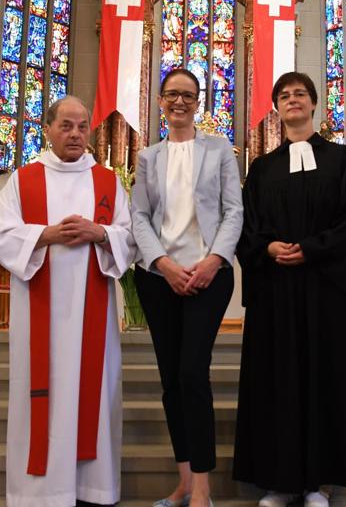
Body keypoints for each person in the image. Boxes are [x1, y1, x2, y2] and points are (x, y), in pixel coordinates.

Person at [0, 95, 135, 507]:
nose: (75, 133)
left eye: (82, 126)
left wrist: (100, 233)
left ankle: (93, 487)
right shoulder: (23, 179)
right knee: (43, 389)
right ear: (48, 129)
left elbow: (128, 237)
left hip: (93, 310)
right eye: (66, 125)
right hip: (41, 308)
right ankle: (41, 491)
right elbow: (2, 235)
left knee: (94, 388)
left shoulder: (107, 182)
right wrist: (46, 235)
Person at [234, 72, 346, 507]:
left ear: (314, 104)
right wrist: (269, 247)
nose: (293, 100)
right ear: (277, 108)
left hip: (324, 290)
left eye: (300, 94)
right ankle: (280, 482)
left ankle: (318, 483)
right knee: (277, 383)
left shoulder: (343, 160)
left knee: (323, 381)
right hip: (276, 292)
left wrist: (311, 249)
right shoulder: (263, 167)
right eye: (285, 95)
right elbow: (247, 226)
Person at [131, 68, 244, 507]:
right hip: (159, 278)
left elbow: (234, 210)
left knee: (193, 373)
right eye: (172, 95)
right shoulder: (148, 156)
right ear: (161, 101)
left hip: (208, 274)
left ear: (199, 102)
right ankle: (182, 480)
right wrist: (161, 262)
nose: (179, 102)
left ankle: (202, 486)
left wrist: (214, 259)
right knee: (170, 379)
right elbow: (139, 215)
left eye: (188, 95)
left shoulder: (219, 151)